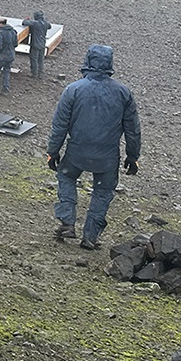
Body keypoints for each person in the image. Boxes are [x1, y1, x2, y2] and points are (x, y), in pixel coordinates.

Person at [46, 44, 142, 250]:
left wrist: (52, 152)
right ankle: (90, 236)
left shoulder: (73, 90)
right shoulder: (123, 92)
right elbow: (132, 128)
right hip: (108, 156)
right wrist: (133, 156)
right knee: (103, 191)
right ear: (110, 64)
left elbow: (60, 125)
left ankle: (67, 222)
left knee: (66, 177)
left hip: (77, 151)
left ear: (87, 62)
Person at [0, 17, 18, 95]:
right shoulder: (13, 31)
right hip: (11, 55)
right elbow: (16, 44)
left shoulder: (1, 33)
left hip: (3, 56)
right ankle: (6, 90)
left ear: (0, 24)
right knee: (6, 71)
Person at [22, 11, 52, 78]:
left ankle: (34, 74)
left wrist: (27, 19)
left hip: (35, 44)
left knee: (34, 59)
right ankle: (41, 74)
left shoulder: (35, 23)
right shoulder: (46, 23)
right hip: (43, 43)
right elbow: (50, 26)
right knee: (41, 59)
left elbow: (24, 23)